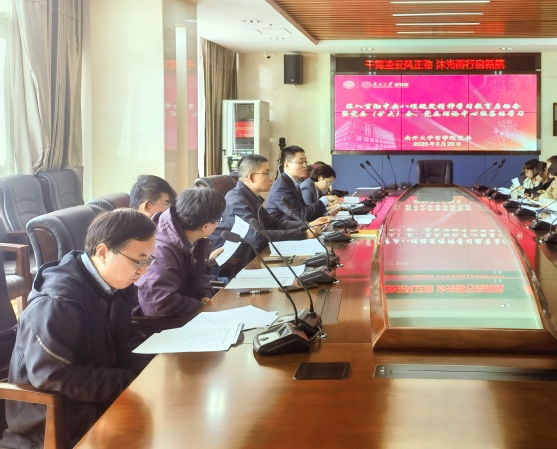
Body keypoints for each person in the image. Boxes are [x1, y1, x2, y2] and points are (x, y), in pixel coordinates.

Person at [2, 209, 156, 449]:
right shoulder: (58, 302)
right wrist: (131, 382)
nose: (144, 270)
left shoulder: (117, 281)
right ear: (103, 252)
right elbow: (52, 375)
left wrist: (153, 364)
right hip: (55, 425)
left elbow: (125, 335)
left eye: (148, 260)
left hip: (99, 402)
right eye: (139, 260)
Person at [209, 154, 327, 276]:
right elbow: (258, 238)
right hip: (230, 270)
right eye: (267, 173)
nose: (271, 178)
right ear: (251, 177)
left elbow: (274, 224)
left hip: (251, 260)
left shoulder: (250, 198)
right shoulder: (236, 202)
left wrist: (307, 225)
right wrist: (303, 234)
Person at [134, 187, 226, 318]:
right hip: (160, 324)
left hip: (186, 311)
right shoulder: (160, 252)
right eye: (219, 220)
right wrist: (201, 307)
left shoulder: (192, 239)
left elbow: (199, 273)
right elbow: (158, 304)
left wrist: (205, 294)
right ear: (205, 227)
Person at [265, 145, 339, 223]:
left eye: (305, 162)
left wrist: (326, 213)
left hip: (295, 226)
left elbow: (304, 210)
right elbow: (302, 215)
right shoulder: (282, 188)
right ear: (287, 165)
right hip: (284, 229)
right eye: (301, 162)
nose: (305, 166)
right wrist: (325, 199)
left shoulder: (292, 183)